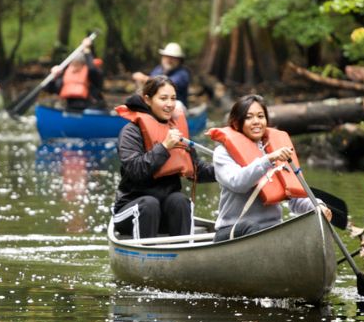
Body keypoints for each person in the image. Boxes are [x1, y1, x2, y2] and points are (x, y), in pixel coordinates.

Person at [207, 94, 332, 242]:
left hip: (270, 230)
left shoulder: (276, 148)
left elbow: (295, 197)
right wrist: (268, 159)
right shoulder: (223, 152)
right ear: (236, 122)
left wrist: (317, 206)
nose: (256, 122)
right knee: (251, 227)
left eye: (260, 116)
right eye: (249, 117)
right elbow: (238, 183)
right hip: (233, 231)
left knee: (306, 222)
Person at [111, 76, 215, 239]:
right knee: (149, 204)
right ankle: (145, 259)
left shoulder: (176, 129)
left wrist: (228, 170)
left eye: (173, 98)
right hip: (133, 210)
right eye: (163, 98)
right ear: (148, 99)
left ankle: (184, 257)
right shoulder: (131, 132)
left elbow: (197, 171)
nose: (170, 104)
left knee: (180, 201)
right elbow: (136, 171)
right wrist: (164, 147)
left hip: (164, 210)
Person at [44, 35, 105, 111]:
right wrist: (53, 77)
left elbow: (92, 68)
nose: (74, 67)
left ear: (83, 64)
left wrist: (87, 50)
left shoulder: (93, 74)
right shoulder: (67, 75)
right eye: (73, 64)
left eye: (77, 64)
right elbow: (49, 89)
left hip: (91, 107)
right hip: (70, 107)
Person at [132, 42, 190, 107]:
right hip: (158, 105)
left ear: (179, 60)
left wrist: (144, 78)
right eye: (167, 56)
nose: (169, 60)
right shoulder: (158, 69)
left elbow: (167, 84)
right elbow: (150, 86)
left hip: (176, 108)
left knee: (178, 105)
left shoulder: (182, 74)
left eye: (173, 57)